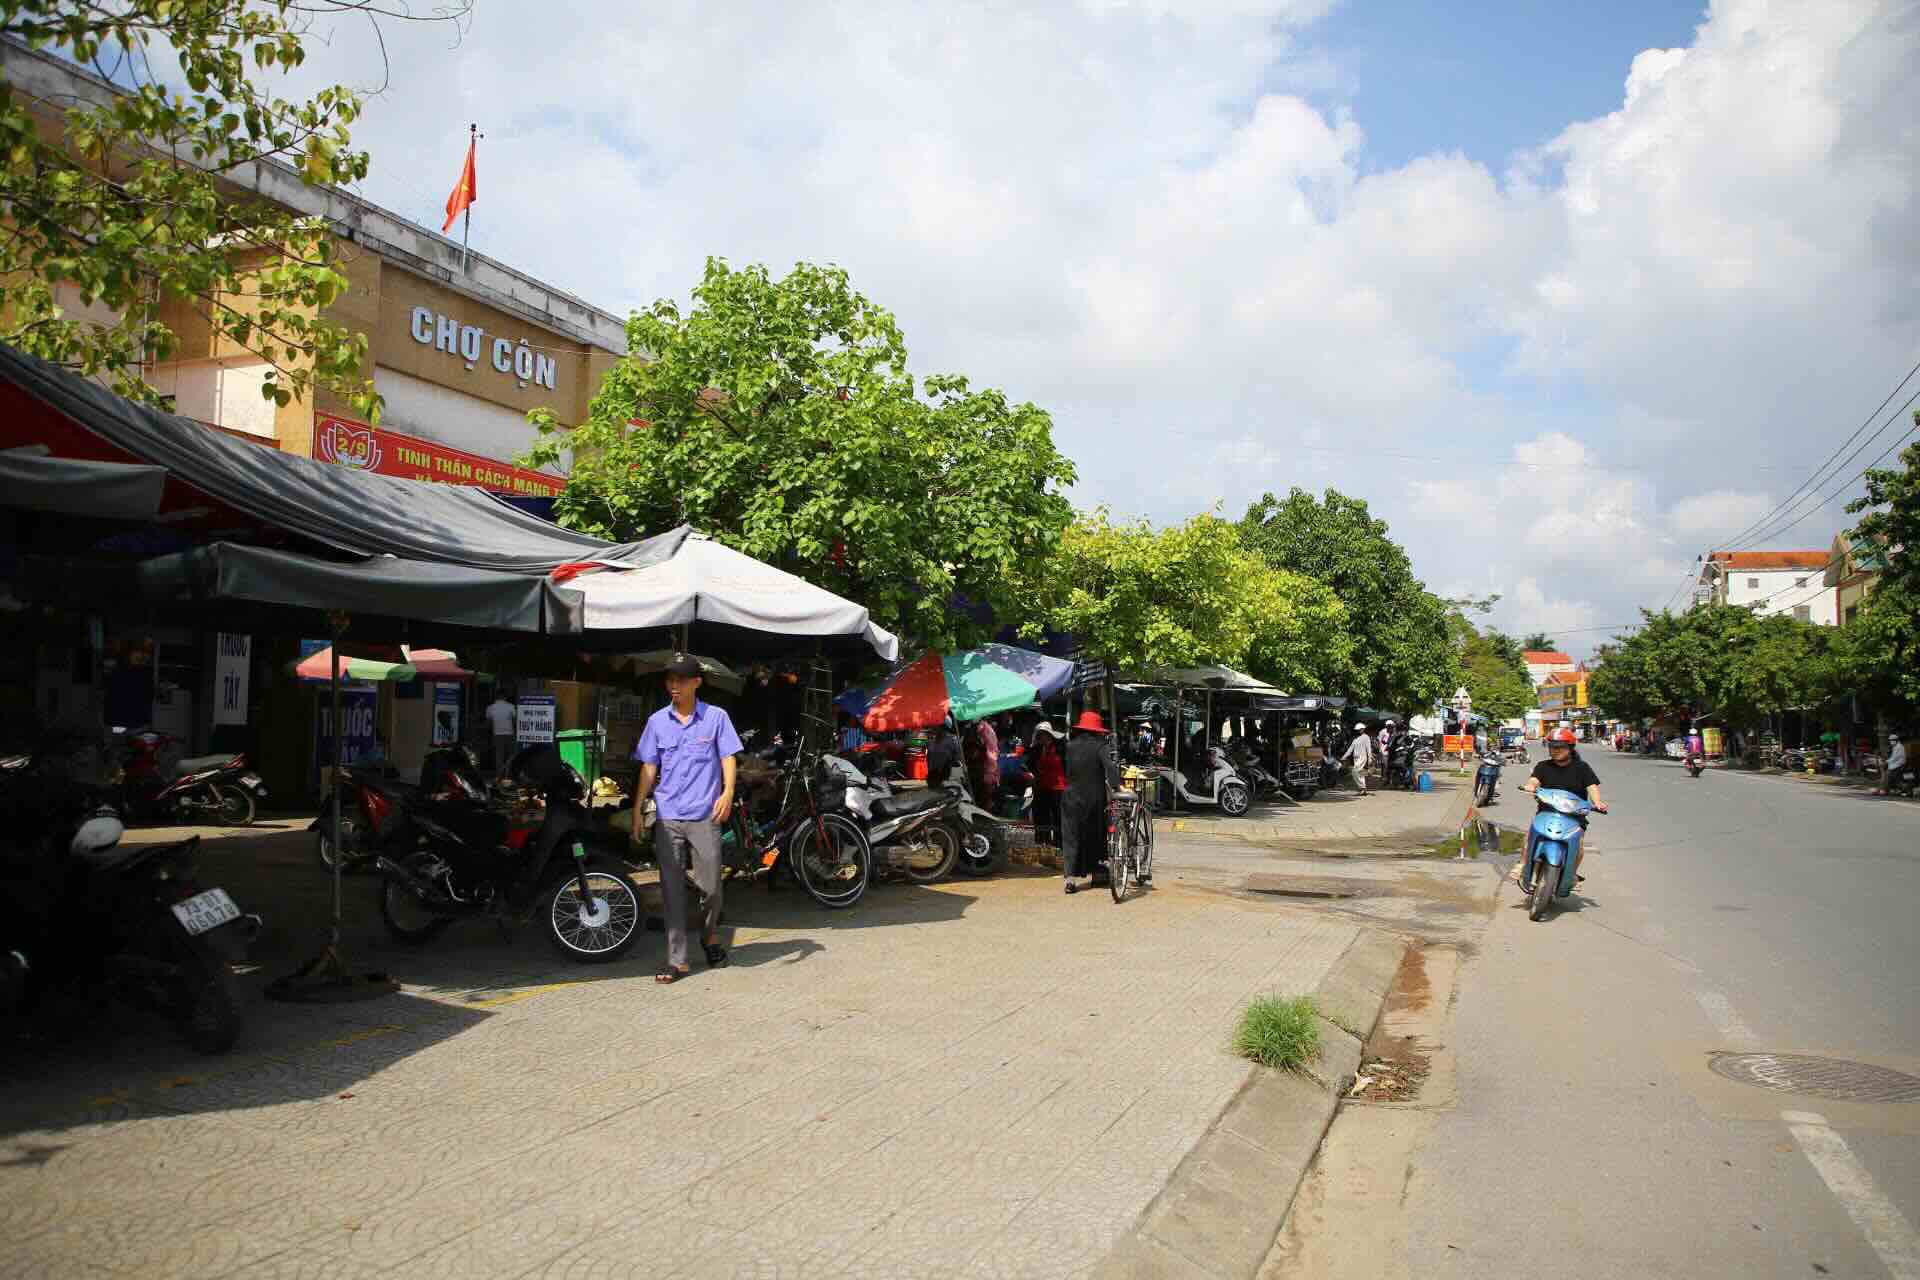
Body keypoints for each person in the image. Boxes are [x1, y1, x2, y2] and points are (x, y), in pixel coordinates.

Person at [632, 654, 742, 984]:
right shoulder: (656, 722)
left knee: (711, 887)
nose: (673, 685)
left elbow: (728, 757)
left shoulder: (716, 718)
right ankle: (677, 960)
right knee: (672, 889)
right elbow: (649, 767)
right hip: (668, 816)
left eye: (680, 680)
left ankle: (709, 936)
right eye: (670, 680)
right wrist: (639, 807)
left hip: (704, 814)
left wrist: (727, 792)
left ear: (696, 682)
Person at [1517, 726, 1608, 892]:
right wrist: (1530, 786)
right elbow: (1534, 780)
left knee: (1579, 844)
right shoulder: (1543, 766)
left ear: (1570, 748)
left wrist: (1597, 802)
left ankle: (1572, 874)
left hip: (1574, 816)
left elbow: (1592, 786)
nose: (1555, 750)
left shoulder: (1582, 767)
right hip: (1547, 812)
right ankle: (1522, 865)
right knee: (1530, 835)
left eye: (1559, 747)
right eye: (1552, 746)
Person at [1061, 710, 1119, 894]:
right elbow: (1110, 769)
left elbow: (1067, 770)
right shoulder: (1101, 746)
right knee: (1094, 834)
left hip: (1070, 797)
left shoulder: (1070, 746)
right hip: (1093, 798)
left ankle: (1070, 880)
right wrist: (1117, 786)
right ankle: (1097, 874)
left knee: (1071, 837)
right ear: (1097, 730)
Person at [1029, 721, 1067, 846]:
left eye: (1044, 734)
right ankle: (1042, 843)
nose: (1042, 737)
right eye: (1040, 735)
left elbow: (1067, 766)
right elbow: (1030, 765)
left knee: (1058, 818)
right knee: (1041, 817)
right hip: (1041, 787)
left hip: (1058, 788)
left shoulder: (1060, 748)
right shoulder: (1037, 749)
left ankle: (1059, 844)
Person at [964, 717, 1000, 806]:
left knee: (983, 794)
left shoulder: (983, 730)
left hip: (982, 770)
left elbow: (976, 753)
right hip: (980, 770)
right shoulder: (984, 730)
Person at [484, 689, 516, 771]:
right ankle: (508, 773)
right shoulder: (511, 706)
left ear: (496, 696)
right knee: (510, 755)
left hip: (497, 734)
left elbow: (488, 724)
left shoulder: (490, 708)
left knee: (499, 756)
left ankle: (499, 774)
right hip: (510, 734)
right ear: (505, 697)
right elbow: (514, 721)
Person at [927, 719, 962, 788]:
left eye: (936, 725)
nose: (933, 727)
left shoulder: (953, 740)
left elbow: (957, 758)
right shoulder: (933, 740)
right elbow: (930, 757)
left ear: (943, 727)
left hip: (947, 776)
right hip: (933, 775)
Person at [1344, 722, 1374, 796]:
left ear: (1363, 729)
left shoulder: (1366, 737)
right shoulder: (1355, 739)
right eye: (1357, 730)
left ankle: (1362, 787)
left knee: (1354, 771)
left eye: (1360, 729)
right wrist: (1344, 756)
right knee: (1361, 774)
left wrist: (1370, 758)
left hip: (1362, 757)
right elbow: (1350, 749)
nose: (1358, 731)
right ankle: (1363, 790)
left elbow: (1368, 748)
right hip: (1356, 758)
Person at [1878, 730, 1907, 796]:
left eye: (1892, 740)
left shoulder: (1899, 747)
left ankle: (1884, 790)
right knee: (1891, 776)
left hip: (1898, 765)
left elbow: (1895, 758)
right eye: (1890, 740)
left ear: (1896, 740)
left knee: (1888, 775)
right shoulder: (1895, 747)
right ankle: (1885, 789)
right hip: (1894, 764)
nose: (1891, 742)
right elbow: (1893, 757)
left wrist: (1886, 762)